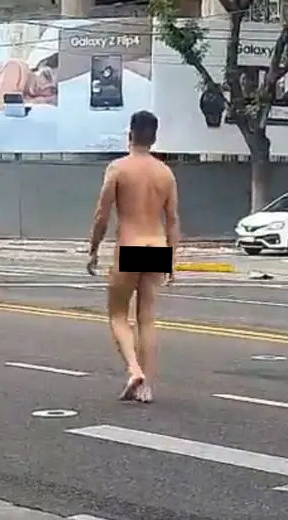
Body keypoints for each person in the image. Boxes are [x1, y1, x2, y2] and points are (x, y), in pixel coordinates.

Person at [87, 110, 180, 403]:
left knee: (117, 314)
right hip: (157, 245)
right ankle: (146, 387)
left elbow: (102, 214)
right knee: (147, 319)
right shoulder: (165, 173)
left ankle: (133, 369)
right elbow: (172, 220)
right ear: (154, 137)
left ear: (130, 134)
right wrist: (172, 259)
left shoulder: (118, 168)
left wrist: (93, 249)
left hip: (130, 245)